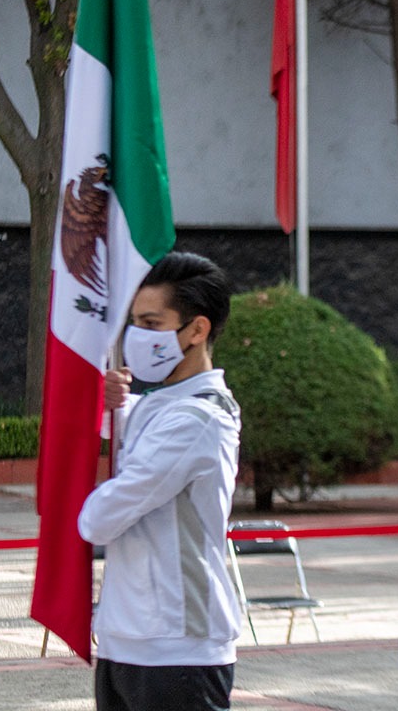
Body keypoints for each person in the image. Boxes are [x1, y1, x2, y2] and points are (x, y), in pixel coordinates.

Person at [79, 251, 241, 711]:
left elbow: (101, 519)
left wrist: (72, 494)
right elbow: (133, 428)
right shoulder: (161, 405)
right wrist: (113, 406)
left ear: (197, 329)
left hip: (177, 646)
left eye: (152, 324)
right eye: (134, 322)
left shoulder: (200, 418)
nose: (136, 336)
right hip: (125, 637)